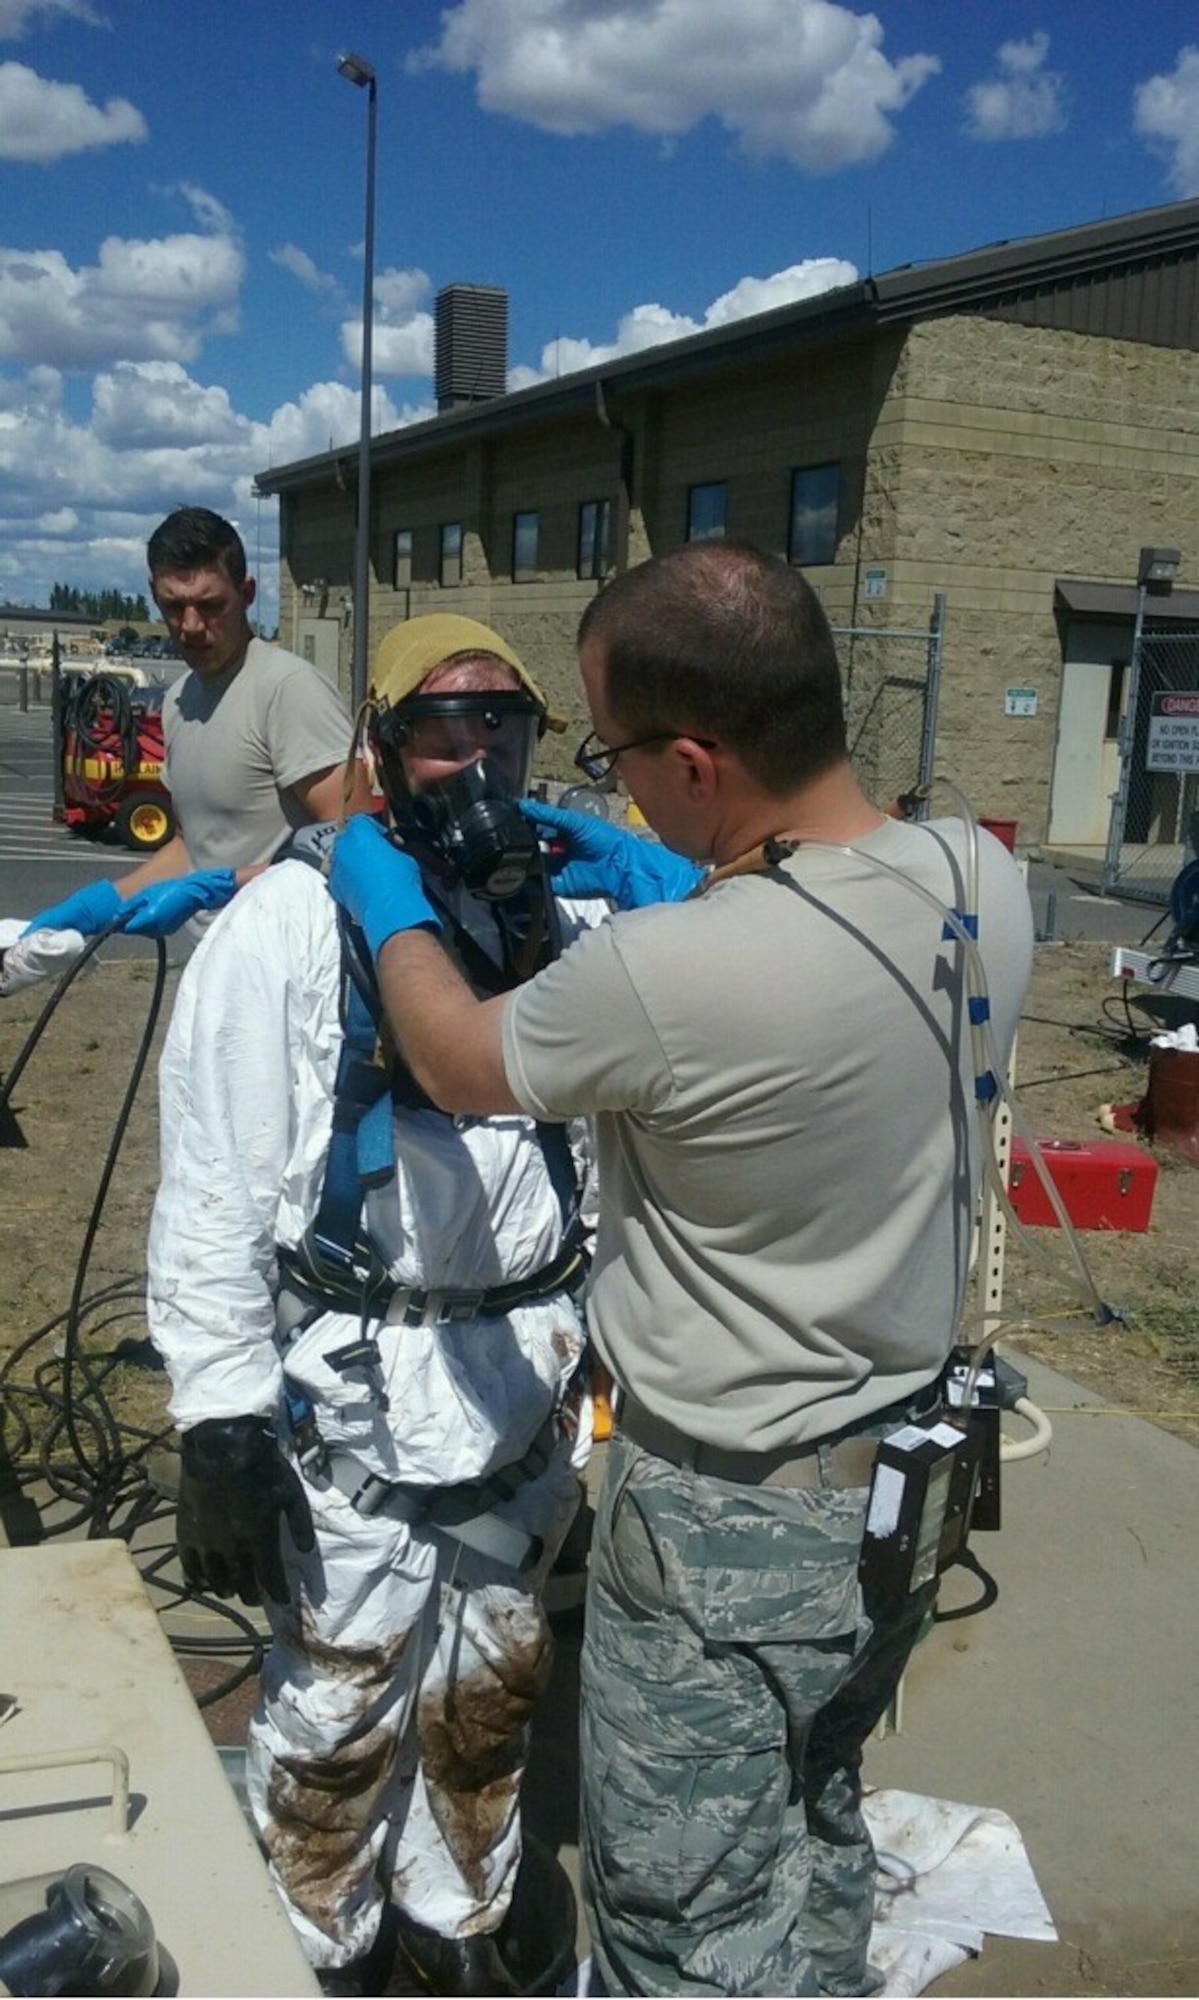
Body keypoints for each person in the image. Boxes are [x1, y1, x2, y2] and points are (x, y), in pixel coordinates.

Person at [327, 540, 1036, 1996]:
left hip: (728, 1520)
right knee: (814, 1813)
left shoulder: (665, 974)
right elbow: (811, 914)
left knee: (680, 1919)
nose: (606, 786)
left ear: (697, 760)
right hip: (905, 1483)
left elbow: (458, 1057)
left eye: (617, 752)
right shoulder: (978, 877)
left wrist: (376, 882)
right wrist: (668, 866)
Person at [146, 613, 596, 1997]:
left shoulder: (571, 917)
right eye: (439, 726)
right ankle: (321, 1944)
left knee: (489, 1690)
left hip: (523, 1380)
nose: (475, 754)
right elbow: (212, 1181)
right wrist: (217, 1415)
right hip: (356, 1394)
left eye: (501, 722)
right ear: (381, 750)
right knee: (342, 1701)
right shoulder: (292, 922)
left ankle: (453, 1914)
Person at [1, 507, 372, 989]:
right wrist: (98, 908)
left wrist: (220, 887)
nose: (191, 625)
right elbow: (191, 847)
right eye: (173, 607)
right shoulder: (180, 702)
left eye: (210, 605)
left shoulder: (286, 690)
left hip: (291, 978)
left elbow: (358, 846)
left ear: (247, 595)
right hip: (215, 971)